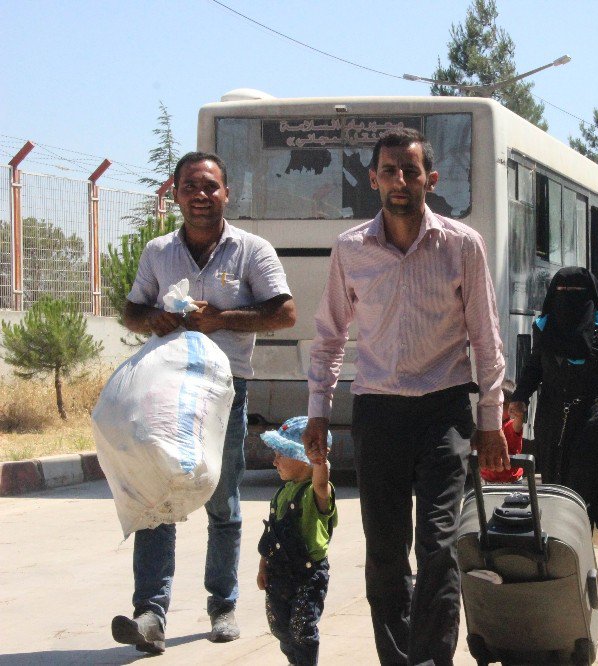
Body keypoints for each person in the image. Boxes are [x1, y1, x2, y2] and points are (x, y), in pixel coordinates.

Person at [303, 128, 507, 666]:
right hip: (378, 413)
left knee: (440, 548)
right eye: (389, 171)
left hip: (444, 413)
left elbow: (485, 336)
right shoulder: (351, 249)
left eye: (410, 171)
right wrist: (318, 413)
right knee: (387, 556)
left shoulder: (462, 245)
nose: (400, 181)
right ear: (373, 180)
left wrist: (490, 420)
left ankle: (430, 661)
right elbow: (329, 337)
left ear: (430, 180)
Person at [111, 152, 296, 654]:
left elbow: (284, 313)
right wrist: (156, 319)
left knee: (223, 501)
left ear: (226, 194)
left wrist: (223, 319)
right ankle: (150, 613)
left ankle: (223, 605)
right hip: (165, 396)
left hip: (223, 396)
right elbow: (130, 312)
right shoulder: (156, 252)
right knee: (156, 499)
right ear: (176, 194)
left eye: (211, 186)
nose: (201, 195)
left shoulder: (251, 250)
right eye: (190, 186)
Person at [510, 267, 598, 520]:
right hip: (550, 419)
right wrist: (520, 396)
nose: (568, 299)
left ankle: (580, 540)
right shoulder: (543, 328)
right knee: (551, 483)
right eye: (562, 291)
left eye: (576, 292)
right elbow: (534, 367)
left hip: (589, 420)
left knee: (580, 487)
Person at [257, 417, 338, 666]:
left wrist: (319, 461)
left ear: (302, 458)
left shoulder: (316, 492)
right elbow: (273, 533)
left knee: (302, 628)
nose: (275, 461)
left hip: (308, 575)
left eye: (281, 454)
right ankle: (294, 659)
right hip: (279, 573)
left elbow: (321, 481)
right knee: (280, 626)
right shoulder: (281, 493)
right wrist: (263, 566)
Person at [480, 390, 525, 484]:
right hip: (488, 480)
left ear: (510, 408)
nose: (496, 409)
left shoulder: (511, 425)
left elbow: (518, 424)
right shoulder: (488, 425)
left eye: (501, 405)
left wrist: (519, 415)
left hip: (511, 481)